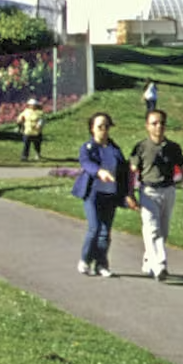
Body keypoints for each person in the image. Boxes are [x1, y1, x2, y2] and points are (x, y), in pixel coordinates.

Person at [129, 109, 183, 281]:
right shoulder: (141, 147)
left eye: (162, 123)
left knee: (163, 230)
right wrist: (129, 193)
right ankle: (160, 266)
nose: (158, 126)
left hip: (168, 191)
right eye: (154, 123)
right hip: (148, 191)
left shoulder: (173, 148)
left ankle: (148, 260)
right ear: (147, 126)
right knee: (152, 229)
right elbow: (132, 171)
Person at [74, 111, 135, 277]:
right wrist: (99, 171)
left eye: (107, 126)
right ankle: (85, 260)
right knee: (94, 228)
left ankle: (101, 264)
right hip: (93, 194)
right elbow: (86, 163)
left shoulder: (115, 149)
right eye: (100, 127)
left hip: (110, 195)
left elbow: (123, 173)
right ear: (92, 129)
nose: (104, 130)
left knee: (105, 232)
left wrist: (129, 194)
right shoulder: (88, 148)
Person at [17, 97, 46, 162]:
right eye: (31, 105)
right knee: (26, 144)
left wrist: (39, 124)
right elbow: (20, 117)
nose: (32, 106)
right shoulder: (26, 111)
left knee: (37, 145)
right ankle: (24, 156)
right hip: (27, 131)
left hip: (36, 132)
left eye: (33, 105)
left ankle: (37, 154)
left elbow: (42, 120)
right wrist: (20, 120)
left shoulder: (39, 112)